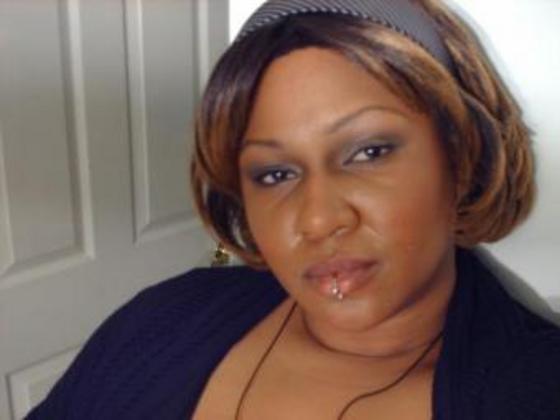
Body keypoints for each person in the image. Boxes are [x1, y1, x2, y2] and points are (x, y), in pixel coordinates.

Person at [27, 0, 560, 419]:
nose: (317, 219)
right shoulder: (157, 323)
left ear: (461, 158)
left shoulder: (534, 392)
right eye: (275, 174)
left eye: (369, 152)